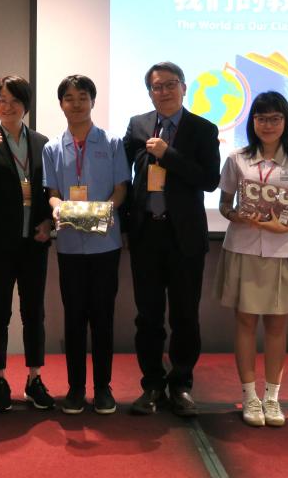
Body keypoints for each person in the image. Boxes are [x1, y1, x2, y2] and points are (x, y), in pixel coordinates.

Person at [215, 91, 288, 427]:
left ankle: (272, 397)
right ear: (253, 122)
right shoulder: (237, 159)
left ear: (286, 121)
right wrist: (235, 215)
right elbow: (224, 204)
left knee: (276, 326)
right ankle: (249, 395)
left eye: (275, 118)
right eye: (261, 118)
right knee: (245, 323)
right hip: (243, 248)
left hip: (283, 250)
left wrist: (283, 226)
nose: (268, 124)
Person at [124, 61, 220, 417]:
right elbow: (124, 174)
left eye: (170, 84)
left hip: (185, 237)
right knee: (148, 316)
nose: (163, 91)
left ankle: (181, 384)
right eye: (156, 86)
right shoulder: (137, 125)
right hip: (146, 233)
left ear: (184, 87)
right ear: (149, 92)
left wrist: (168, 154)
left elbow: (209, 180)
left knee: (185, 315)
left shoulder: (203, 129)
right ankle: (151, 384)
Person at [42, 75, 130, 415]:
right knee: (74, 318)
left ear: (92, 101)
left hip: (104, 244)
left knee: (103, 317)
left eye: (82, 97)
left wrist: (104, 211)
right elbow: (52, 193)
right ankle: (76, 388)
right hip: (69, 245)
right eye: (69, 98)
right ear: (61, 104)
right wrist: (58, 208)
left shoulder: (112, 143)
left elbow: (121, 188)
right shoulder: (52, 147)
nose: (76, 103)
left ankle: (103, 388)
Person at [0, 75, 56, 411]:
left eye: (15, 100)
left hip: (34, 240)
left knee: (34, 312)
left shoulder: (41, 142)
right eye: (1, 100)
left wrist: (49, 223)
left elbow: (48, 191)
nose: (7, 106)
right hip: (0, 243)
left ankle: (34, 378)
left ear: (25, 105)